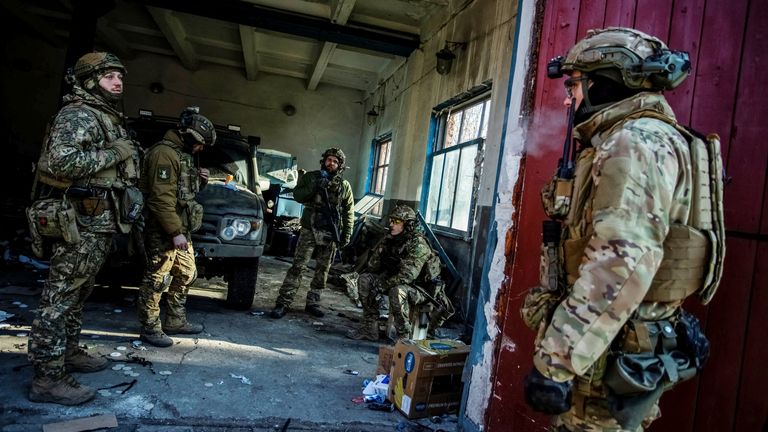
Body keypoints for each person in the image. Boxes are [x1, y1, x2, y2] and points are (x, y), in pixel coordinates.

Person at [521, 28, 725, 431]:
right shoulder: (640, 139)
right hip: (610, 348)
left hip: (605, 360)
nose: (568, 97)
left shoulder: (634, 144)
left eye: (575, 84)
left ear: (607, 81)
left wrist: (557, 361)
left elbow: (621, 263)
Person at [27, 52, 141, 405]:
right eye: (109, 76)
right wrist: (117, 153)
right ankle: (47, 378)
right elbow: (62, 162)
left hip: (97, 221)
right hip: (78, 220)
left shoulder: (105, 116)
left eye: (119, 76)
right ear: (90, 80)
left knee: (80, 291)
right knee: (59, 298)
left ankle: (69, 351)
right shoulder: (78, 114)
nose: (118, 82)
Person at [137, 107, 215, 347]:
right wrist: (175, 232)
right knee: (157, 278)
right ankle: (150, 328)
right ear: (189, 136)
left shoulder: (182, 155)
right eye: (200, 143)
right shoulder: (163, 154)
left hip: (179, 229)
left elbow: (183, 193)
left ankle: (175, 320)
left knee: (187, 273)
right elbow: (160, 199)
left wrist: (200, 181)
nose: (201, 149)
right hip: (163, 229)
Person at [346, 205, 452, 341]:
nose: (391, 225)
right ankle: (370, 328)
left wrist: (383, 286)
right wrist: (381, 250)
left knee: (397, 291)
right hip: (397, 281)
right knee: (365, 280)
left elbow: (407, 276)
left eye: (396, 222)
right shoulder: (391, 239)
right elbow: (372, 268)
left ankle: (403, 336)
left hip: (421, 289)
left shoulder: (418, 244)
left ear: (407, 225)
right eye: (391, 221)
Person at [270, 148, 354, 319]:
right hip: (309, 228)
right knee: (298, 267)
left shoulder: (344, 186)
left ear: (340, 166)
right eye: (329, 160)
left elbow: (349, 212)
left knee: (322, 270)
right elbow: (298, 196)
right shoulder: (311, 177)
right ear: (324, 161)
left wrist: (346, 235)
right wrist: (315, 186)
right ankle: (283, 302)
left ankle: (313, 302)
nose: (331, 163)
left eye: (335, 161)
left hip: (330, 231)